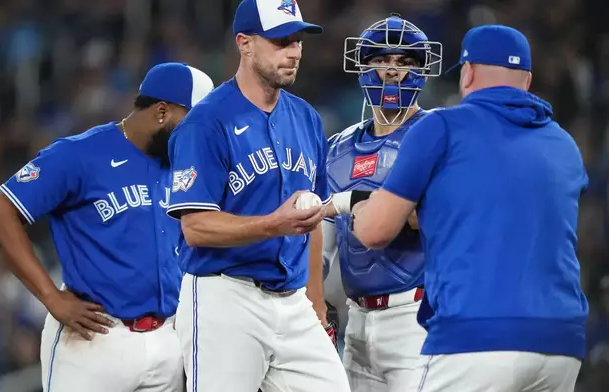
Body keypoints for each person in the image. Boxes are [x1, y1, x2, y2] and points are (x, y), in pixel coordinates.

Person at [345, 25, 588, 391]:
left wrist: (357, 209)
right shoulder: (565, 144)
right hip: (561, 344)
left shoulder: (442, 126)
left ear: (468, 71)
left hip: (475, 336)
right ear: (527, 79)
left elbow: (374, 232)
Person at [0, 62, 214, 392]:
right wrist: (51, 297)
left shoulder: (182, 167)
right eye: (194, 122)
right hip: (95, 340)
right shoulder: (79, 154)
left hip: (167, 340)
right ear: (162, 111)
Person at [165, 0, 350, 391]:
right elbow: (195, 228)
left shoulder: (306, 118)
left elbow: (312, 218)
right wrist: (273, 225)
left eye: (298, 40)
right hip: (225, 296)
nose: (295, 51)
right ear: (245, 44)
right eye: (281, 41)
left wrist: (315, 301)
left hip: (292, 299)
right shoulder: (206, 122)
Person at [321, 14, 442, 391]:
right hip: (355, 321)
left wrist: (349, 201)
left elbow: (434, 216)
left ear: (421, 71)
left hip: (416, 317)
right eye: (381, 60)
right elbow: (323, 245)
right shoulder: (337, 147)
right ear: (363, 67)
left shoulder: (438, 133)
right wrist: (317, 304)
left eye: (404, 62)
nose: (392, 72)